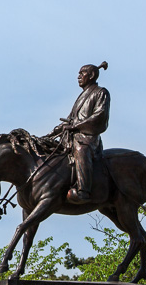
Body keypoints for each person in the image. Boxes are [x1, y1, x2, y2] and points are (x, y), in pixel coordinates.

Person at [47, 61, 110, 204]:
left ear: (92, 75)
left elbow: (99, 116)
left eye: (82, 73)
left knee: (80, 150)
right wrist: (51, 134)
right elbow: (69, 120)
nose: (78, 76)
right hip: (72, 136)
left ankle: (84, 190)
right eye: (79, 74)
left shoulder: (101, 93)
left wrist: (76, 126)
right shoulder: (81, 96)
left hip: (87, 138)